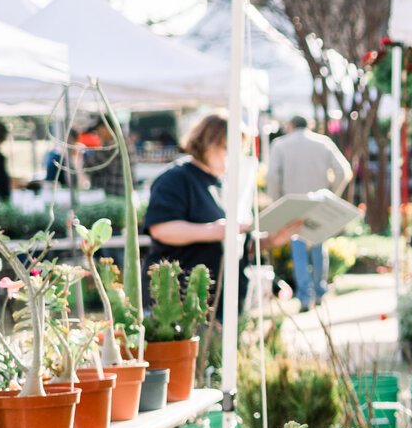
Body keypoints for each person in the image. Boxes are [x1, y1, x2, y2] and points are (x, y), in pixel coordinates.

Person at [142, 113, 299, 309]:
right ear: (206, 142)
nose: (234, 155)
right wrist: (215, 230)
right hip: (181, 299)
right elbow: (161, 229)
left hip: (224, 301)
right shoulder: (176, 178)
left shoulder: (226, 184)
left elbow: (234, 243)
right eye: (227, 148)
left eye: (239, 149)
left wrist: (270, 240)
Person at [265, 113, 354, 310]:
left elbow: (271, 176)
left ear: (290, 125)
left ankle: (305, 296)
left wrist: (277, 201)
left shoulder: (280, 144)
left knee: (298, 248)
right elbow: (343, 171)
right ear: (309, 125)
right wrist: (331, 194)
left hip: (293, 203)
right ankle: (320, 291)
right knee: (318, 245)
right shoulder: (323, 142)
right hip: (317, 202)